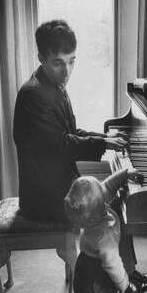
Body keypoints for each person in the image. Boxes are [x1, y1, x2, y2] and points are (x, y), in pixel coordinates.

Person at [13, 19, 128, 223]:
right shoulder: (33, 95)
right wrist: (102, 143)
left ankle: (105, 255)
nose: (67, 71)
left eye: (71, 61)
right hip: (45, 200)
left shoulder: (51, 85)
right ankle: (102, 256)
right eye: (58, 63)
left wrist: (105, 137)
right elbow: (60, 145)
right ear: (41, 58)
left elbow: (70, 132)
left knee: (118, 197)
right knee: (115, 207)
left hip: (57, 187)